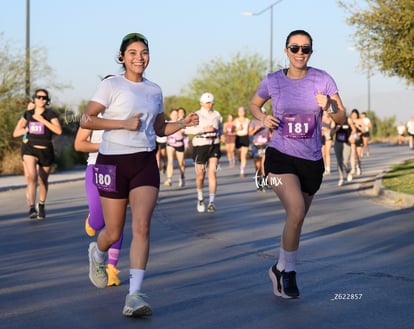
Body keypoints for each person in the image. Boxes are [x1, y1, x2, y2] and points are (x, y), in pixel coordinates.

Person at [80, 33, 199, 317]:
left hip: (145, 161)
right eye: (132, 52)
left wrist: (181, 123)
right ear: (122, 57)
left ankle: (134, 295)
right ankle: (97, 252)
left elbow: (159, 129)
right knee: (113, 231)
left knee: (142, 227)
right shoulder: (110, 85)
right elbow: (87, 119)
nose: (139, 57)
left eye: (144, 52)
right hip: (112, 162)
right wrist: (122, 123)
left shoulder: (155, 90)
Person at [249, 30, 346, 299]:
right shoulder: (273, 81)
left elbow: (341, 116)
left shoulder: (322, 79)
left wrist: (328, 106)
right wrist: (263, 118)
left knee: (297, 218)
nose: (300, 53)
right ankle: (289, 273)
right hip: (280, 157)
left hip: (312, 160)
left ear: (311, 52)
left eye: (305, 49)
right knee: (296, 211)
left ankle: (279, 268)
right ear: (286, 51)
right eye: (295, 48)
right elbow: (255, 105)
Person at [74, 125, 123, 286]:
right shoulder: (95, 112)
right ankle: (92, 220)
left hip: (121, 168)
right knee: (98, 222)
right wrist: (103, 146)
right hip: (97, 166)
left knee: (116, 221)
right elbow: (79, 144)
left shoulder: (130, 110)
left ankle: (111, 269)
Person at [12, 89, 62, 219]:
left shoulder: (50, 114)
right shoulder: (27, 114)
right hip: (30, 148)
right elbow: (16, 133)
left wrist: (42, 120)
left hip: (46, 150)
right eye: (38, 97)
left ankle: (41, 204)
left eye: (44, 98)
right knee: (32, 177)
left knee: (43, 180)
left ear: (47, 100)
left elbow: (58, 131)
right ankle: (31, 208)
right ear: (34, 99)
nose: (41, 99)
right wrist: (27, 128)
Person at [185, 92, 222, 213]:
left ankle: (211, 202)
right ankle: (200, 197)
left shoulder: (217, 114)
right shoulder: (196, 115)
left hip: (214, 146)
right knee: (201, 175)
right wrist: (203, 129)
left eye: (211, 102)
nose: (209, 105)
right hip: (200, 146)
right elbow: (187, 129)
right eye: (207, 102)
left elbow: (220, 129)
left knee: (212, 172)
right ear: (201, 103)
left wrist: (221, 135)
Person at [249, 108, 271, 191]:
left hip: (266, 145)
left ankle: (264, 182)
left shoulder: (268, 122)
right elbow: (250, 133)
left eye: (264, 112)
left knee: (264, 165)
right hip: (256, 145)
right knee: (257, 166)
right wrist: (256, 129)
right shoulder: (253, 122)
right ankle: (258, 182)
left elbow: (272, 132)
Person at [164, 108, 186, 187]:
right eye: (173, 114)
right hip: (170, 143)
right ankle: (169, 179)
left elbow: (184, 133)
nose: (174, 116)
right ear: (170, 115)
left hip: (179, 144)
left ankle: (182, 177)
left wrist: (180, 127)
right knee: (170, 161)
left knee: (181, 163)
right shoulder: (167, 123)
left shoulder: (181, 123)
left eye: (176, 114)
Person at [333, 117, 352, 186]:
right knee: (339, 161)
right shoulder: (335, 121)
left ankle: (348, 171)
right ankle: (341, 178)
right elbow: (331, 133)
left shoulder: (348, 120)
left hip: (347, 142)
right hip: (338, 142)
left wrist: (352, 136)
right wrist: (337, 128)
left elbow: (354, 129)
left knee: (345, 161)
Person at [234, 106, 250, 177]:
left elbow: (250, 130)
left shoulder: (248, 120)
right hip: (238, 138)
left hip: (245, 137)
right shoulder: (235, 120)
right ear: (238, 113)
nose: (241, 113)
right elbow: (232, 131)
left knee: (243, 156)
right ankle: (241, 164)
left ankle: (242, 171)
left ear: (244, 112)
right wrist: (238, 128)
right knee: (239, 156)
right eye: (240, 111)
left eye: (243, 111)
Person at [348, 109, 364, 179]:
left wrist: (358, 126)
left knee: (359, 155)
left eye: (355, 114)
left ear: (357, 115)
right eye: (353, 115)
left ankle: (359, 166)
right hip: (353, 138)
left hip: (359, 138)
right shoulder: (350, 120)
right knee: (352, 153)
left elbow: (364, 129)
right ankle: (353, 168)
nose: (354, 116)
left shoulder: (360, 121)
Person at [321, 110, 335, 176]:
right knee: (323, 153)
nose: (326, 113)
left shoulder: (330, 119)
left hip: (328, 136)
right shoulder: (320, 117)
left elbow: (333, 127)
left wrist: (329, 130)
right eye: (325, 111)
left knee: (328, 152)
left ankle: (328, 168)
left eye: (327, 112)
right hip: (321, 136)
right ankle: (324, 168)